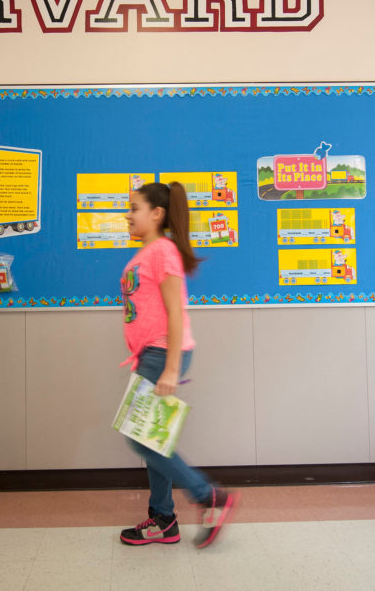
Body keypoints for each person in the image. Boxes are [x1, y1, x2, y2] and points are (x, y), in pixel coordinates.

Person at [118, 182, 240, 548]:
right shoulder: (148, 251)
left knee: (140, 438)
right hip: (150, 355)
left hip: (163, 353)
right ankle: (163, 519)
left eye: (135, 207)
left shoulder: (163, 251)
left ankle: (209, 496)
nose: (128, 214)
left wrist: (170, 368)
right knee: (152, 437)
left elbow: (175, 312)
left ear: (156, 214)